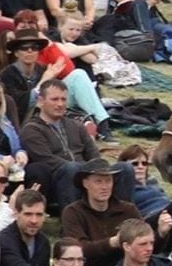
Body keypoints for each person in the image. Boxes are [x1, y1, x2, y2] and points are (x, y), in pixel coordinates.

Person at [20, 79, 134, 209]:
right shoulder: (31, 129)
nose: (60, 104)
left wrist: (96, 172)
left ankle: (122, 216)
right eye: (55, 99)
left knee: (125, 168)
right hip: (59, 181)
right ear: (41, 101)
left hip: (88, 175)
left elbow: (93, 154)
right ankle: (73, 218)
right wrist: (84, 173)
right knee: (70, 168)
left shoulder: (76, 125)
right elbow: (47, 161)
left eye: (63, 99)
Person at [61, 158, 172, 266]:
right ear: (85, 184)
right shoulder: (73, 212)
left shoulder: (128, 210)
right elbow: (79, 249)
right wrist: (112, 242)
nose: (104, 187)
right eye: (98, 181)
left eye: (108, 181)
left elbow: (146, 248)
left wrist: (161, 233)